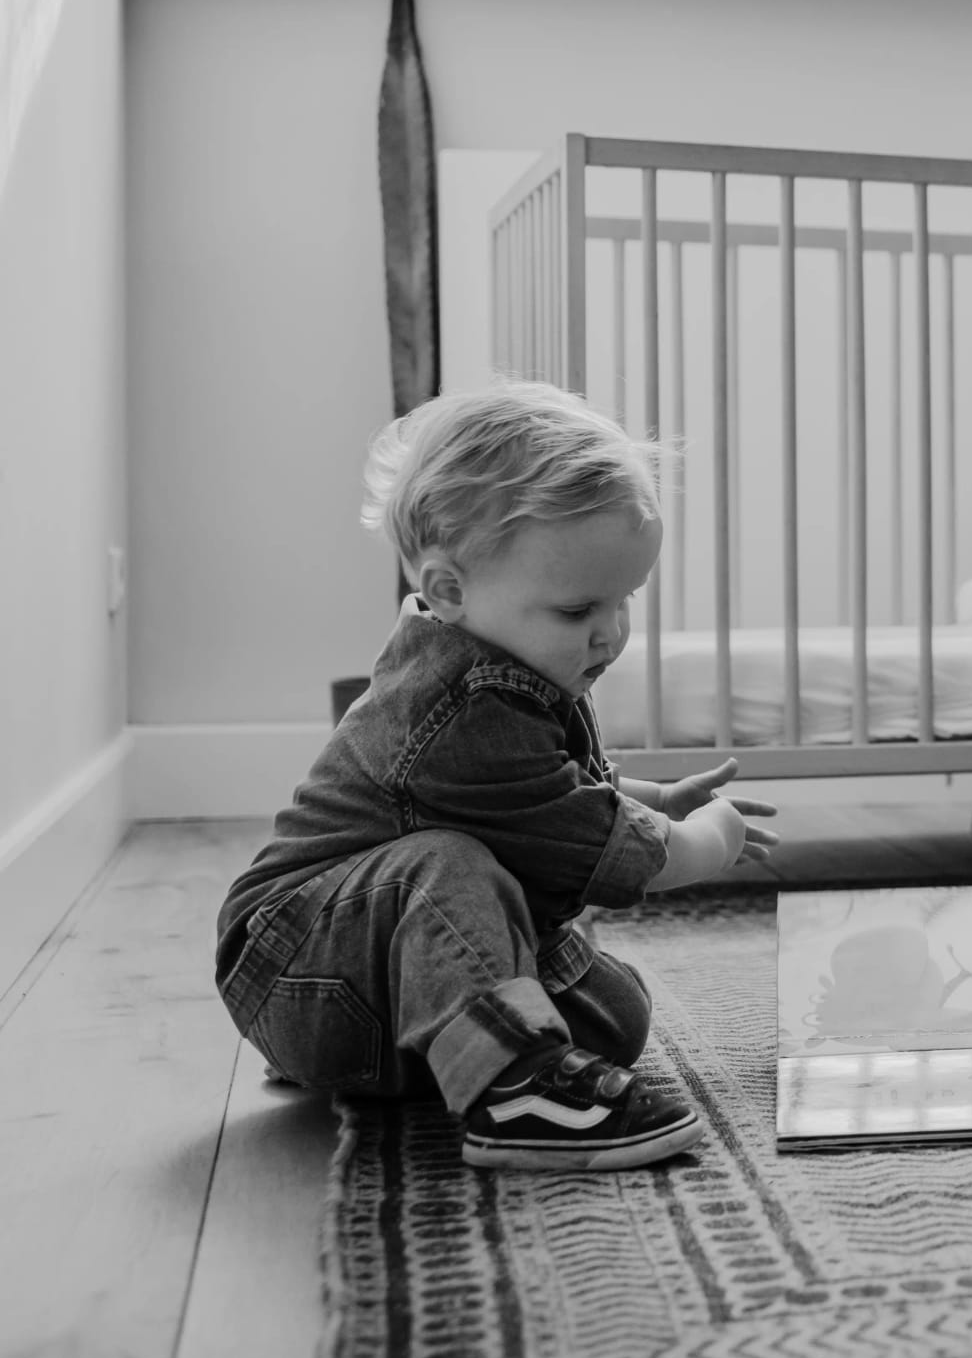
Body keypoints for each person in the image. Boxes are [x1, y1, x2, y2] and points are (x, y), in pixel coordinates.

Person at [212, 382, 778, 1171]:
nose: (610, 632)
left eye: (625, 599)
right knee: (445, 865)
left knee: (614, 1014)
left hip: (359, 980)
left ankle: (415, 1053)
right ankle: (515, 1097)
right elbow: (612, 850)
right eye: (579, 609)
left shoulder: (505, 670)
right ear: (449, 589)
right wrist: (709, 838)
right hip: (292, 964)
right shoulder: (461, 712)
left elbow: (552, 800)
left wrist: (646, 799)